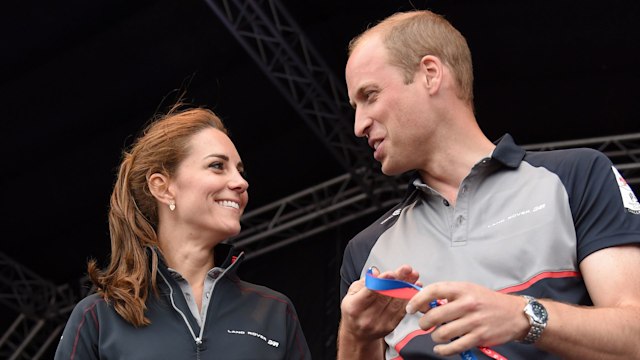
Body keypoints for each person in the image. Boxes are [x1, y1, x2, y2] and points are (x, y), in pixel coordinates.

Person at [339, 9, 640, 360]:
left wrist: (524, 317)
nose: (359, 125)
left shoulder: (578, 175)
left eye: (370, 95)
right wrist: (356, 338)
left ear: (430, 75)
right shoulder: (365, 251)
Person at [55, 106, 312, 359]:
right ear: (163, 187)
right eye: (217, 166)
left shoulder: (276, 312)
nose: (241, 182)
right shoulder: (98, 317)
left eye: (240, 170)